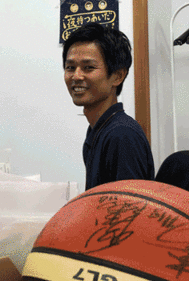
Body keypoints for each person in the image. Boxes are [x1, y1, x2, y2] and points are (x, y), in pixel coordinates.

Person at [63, 22, 154, 190]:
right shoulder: (99, 128)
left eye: (88, 68)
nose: (76, 76)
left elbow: (128, 206)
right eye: (70, 67)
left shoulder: (122, 135)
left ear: (117, 76)